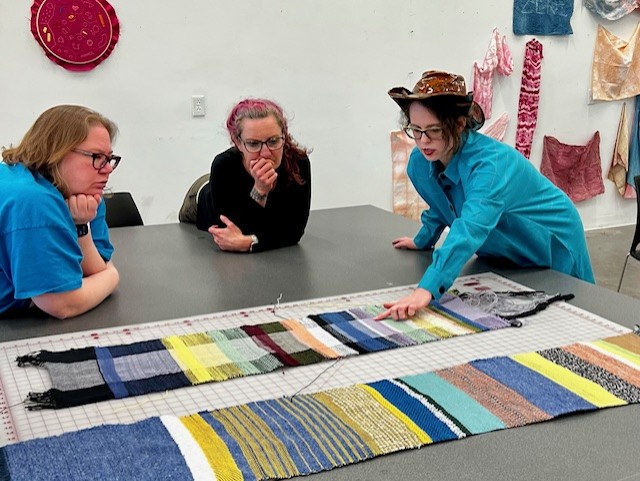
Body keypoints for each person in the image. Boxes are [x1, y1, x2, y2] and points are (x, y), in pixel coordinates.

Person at [376, 70, 595, 321]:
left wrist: (426, 289)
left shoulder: (490, 166)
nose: (423, 140)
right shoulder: (420, 163)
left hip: (551, 240)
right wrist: (423, 239)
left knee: (576, 316)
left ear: (458, 125)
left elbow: (469, 227)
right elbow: (442, 204)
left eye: (434, 130)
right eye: (416, 129)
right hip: (503, 247)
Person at [0, 105, 120, 319]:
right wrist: (113, 276)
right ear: (56, 152)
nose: (107, 168)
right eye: (97, 157)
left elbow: (94, 269)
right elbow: (62, 304)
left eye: (109, 158)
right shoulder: (32, 201)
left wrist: (81, 225)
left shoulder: (85, 195)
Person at [194, 98, 311, 252]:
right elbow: (236, 230)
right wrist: (260, 190)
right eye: (253, 144)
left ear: (284, 134)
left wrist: (249, 243)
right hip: (201, 195)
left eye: (274, 141)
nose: (266, 153)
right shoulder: (224, 165)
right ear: (238, 142)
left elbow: (294, 231)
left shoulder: (298, 163)